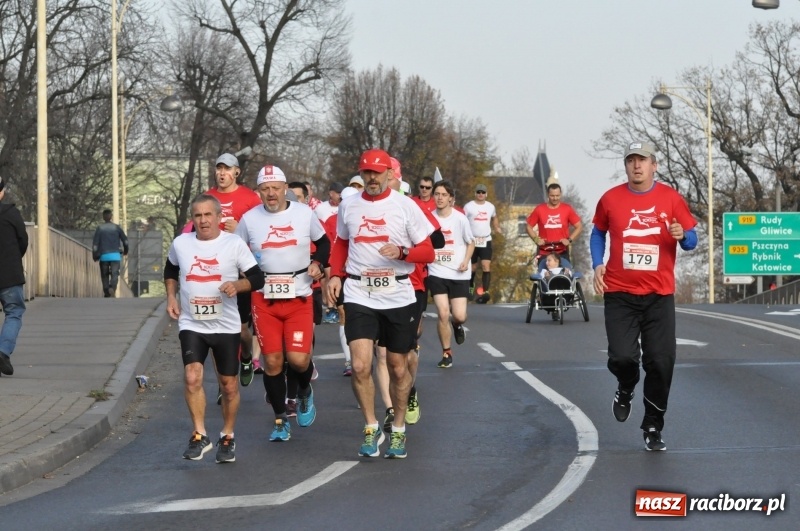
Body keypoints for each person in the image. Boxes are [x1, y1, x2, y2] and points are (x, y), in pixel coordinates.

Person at [327, 148, 435, 459]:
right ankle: (371, 426)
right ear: (361, 174)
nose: (372, 178)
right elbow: (342, 242)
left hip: (398, 293)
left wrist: (402, 253)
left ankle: (398, 429)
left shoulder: (405, 206)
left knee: (398, 368)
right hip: (360, 291)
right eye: (367, 172)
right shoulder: (349, 205)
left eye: (377, 172)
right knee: (360, 364)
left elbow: (427, 251)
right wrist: (336, 274)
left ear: (389, 174)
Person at [591, 141, 697, 452]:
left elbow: (691, 238)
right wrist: (598, 263)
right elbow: (597, 231)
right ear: (626, 166)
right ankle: (626, 385)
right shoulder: (610, 199)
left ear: (655, 165)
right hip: (619, 293)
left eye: (643, 160)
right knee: (623, 358)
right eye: (631, 160)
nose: (637, 165)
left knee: (662, 362)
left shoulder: (670, 198)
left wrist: (683, 236)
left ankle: (653, 424)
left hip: (658, 296)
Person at [164, 194, 264, 463]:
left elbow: (257, 277)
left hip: (226, 324)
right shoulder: (181, 243)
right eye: (198, 215)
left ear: (219, 217)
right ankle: (199, 434)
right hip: (192, 322)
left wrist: (237, 285)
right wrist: (171, 296)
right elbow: (170, 270)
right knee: (192, 377)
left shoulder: (233, 244)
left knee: (228, 386)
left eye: (208, 215)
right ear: (192, 219)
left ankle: (228, 435)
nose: (203, 220)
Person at [235, 164, 329, 442]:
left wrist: (318, 263)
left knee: (299, 360)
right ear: (259, 192)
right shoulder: (249, 219)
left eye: (276, 188)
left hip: (299, 296)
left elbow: (323, 243)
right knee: (273, 362)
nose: (271, 194)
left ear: (285, 188)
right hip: (264, 298)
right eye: (265, 189)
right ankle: (279, 420)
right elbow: (235, 251)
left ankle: (303, 391)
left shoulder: (303, 213)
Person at [206, 153, 263, 387]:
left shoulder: (250, 199)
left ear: (236, 172)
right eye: (219, 168)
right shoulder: (207, 197)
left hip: (240, 273)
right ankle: (223, 382)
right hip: (213, 273)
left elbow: (262, 234)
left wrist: (239, 229)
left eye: (227, 169)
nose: (222, 173)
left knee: (240, 330)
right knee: (213, 330)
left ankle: (247, 357)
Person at [428, 181, 475, 369]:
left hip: (458, 272)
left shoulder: (460, 219)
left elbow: (471, 243)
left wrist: (465, 260)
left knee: (460, 316)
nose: (439, 197)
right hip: (437, 270)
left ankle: (456, 326)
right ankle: (446, 352)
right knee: (442, 313)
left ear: (450, 198)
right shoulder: (428, 219)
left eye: (443, 194)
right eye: (437, 194)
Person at [0, 176, 28, 376]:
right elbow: (23, 240)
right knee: (14, 312)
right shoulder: (11, 213)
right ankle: (3, 352)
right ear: (2, 192)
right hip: (9, 275)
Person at [526, 182, 583, 271]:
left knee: (567, 275)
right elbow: (528, 227)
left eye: (557, 195)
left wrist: (569, 240)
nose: (555, 198)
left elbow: (579, 226)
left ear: (560, 195)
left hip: (562, 252)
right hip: (545, 251)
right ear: (548, 195)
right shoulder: (539, 209)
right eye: (552, 196)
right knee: (543, 277)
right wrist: (536, 239)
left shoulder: (567, 209)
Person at [463, 183, 500, 303]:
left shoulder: (490, 207)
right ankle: (470, 287)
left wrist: (496, 227)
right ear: (475, 193)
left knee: (486, 265)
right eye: (478, 192)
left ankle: (485, 291)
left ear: (486, 194)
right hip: (472, 240)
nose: (480, 194)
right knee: (473, 267)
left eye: (483, 192)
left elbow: (494, 217)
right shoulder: (468, 206)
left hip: (485, 239)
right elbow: (462, 220)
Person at [92, 209, 129, 298]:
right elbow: (126, 241)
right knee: (115, 274)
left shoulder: (100, 228)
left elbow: (95, 245)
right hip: (115, 256)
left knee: (104, 275)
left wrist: (95, 256)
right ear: (111, 217)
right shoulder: (117, 228)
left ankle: (106, 292)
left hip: (104, 256)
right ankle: (112, 287)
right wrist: (126, 251)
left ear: (103, 217)